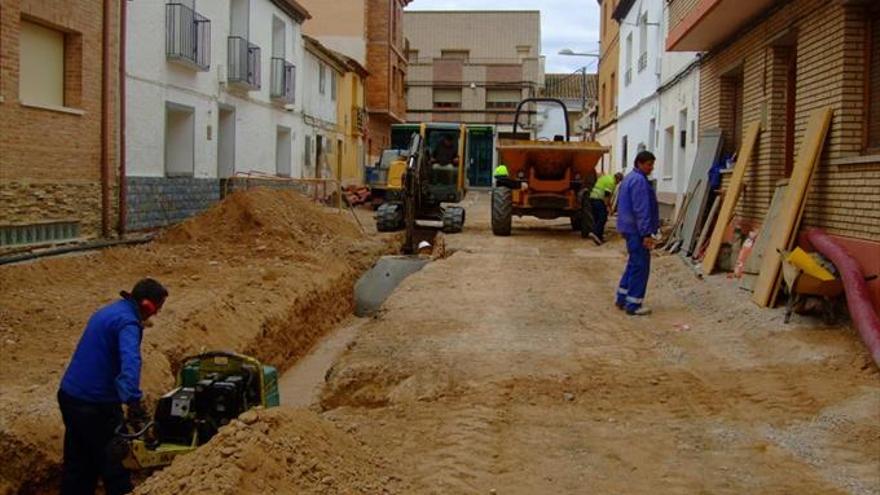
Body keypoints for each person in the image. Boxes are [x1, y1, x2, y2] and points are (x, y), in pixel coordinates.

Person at [57, 278, 169, 495]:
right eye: (157, 309)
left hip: (70, 396)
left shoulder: (110, 311)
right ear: (147, 305)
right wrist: (133, 402)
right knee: (115, 466)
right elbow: (130, 362)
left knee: (79, 464)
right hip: (96, 405)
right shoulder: (128, 323)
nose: (156, 315)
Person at [616, 151, 660, 316]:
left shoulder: (629, 178)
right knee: (641, 266)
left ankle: (622, 297)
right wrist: (646, 233)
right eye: (649, 164)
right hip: (637, 230)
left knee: (633, 263)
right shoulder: (640, 181)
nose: (651, 168)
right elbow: (642, 209)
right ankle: (634, 303)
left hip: (629, 228)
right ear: (639, 163)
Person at [588, 172, 623, 245]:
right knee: (603, 217)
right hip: (598, 199)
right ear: (618, 179)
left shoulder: (606, 177)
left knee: (597, 218)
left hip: (592, 198)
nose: (617, 183)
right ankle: (595, 233)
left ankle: (599, 237)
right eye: (618, 181)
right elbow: (606, 197)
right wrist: (608, 207)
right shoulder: (611, 182)